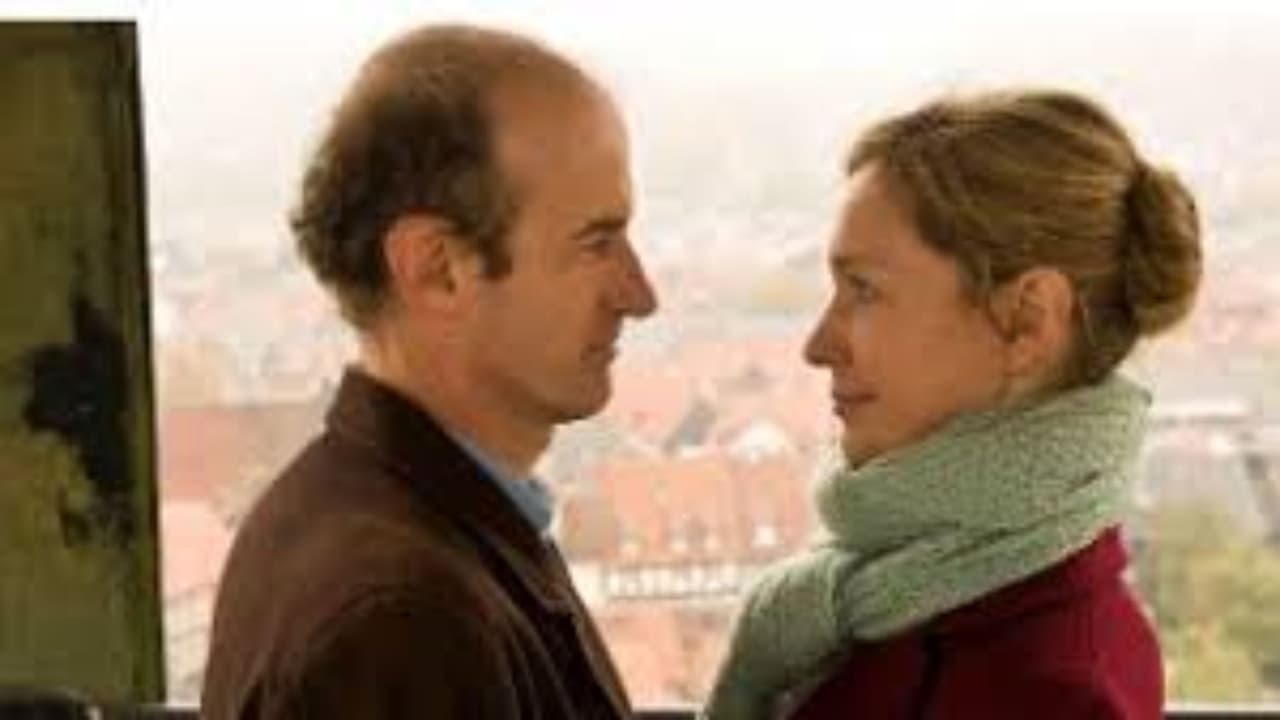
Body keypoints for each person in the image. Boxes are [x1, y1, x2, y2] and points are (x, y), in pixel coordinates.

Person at [201, 24, 657, 719]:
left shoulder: (366, 522)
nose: (640, 294)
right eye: (596, 243)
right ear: (436, 269)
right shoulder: (401, 618)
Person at [704, 89, 1201, 719]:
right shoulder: (903, 595)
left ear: (1027, 321)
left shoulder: (1055, 693)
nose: (818, 345)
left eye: (863, 290)